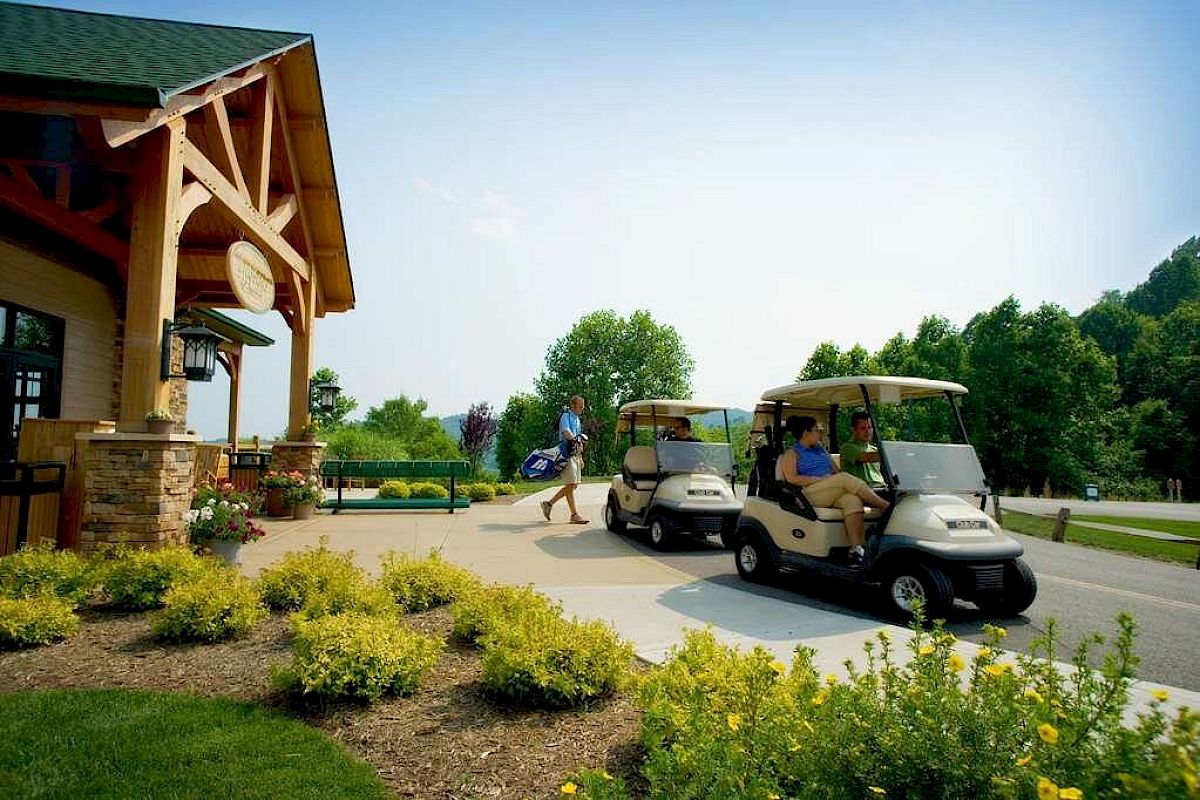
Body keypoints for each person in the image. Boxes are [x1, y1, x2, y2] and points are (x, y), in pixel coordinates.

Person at [780, 415, 890, 566]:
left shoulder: (821, 451)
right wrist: (818, 480)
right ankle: (886, 507)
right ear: (806, 433)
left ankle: (856, 548)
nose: (820, 433)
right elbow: (791, 478)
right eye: (817, 430)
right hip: (808, 493)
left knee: (853, 500)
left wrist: (831, 480)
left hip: (827, 490)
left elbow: (836, 472)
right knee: (844, 478)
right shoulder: (792, 453)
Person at [541, 395, 589, 524]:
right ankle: (573, 514)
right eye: (580, 407)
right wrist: (575, 441)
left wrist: (581, 456)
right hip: (565, 453)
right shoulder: (566, 416)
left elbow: (579, 437)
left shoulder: (577, 419)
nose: (582, 409)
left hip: (575, 454)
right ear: (573, 405)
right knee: (571, 484)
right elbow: (566, 432)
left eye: (583, 407)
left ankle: (549, 504)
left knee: (573, 485)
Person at [840, 411, 885, 486]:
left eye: (870, 427)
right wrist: (892, 454)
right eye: (863, 428)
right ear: (854, 430)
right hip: (861, 490)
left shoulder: (874, 449)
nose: (868, 431)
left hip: (880, 486)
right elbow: (866, 457)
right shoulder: (847, 447)